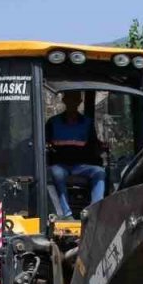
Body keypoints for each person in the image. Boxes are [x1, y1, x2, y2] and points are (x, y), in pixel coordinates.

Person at [45, 90, 106, 219]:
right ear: (64, 100)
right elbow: (45, 143)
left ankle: (95, 213)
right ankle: (66, 214)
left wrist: (102, 148)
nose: (72, 103)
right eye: (70, 99)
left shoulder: (87, 123)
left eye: (75, 100)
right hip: (60, 165)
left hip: (81, 166)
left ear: (79, 102)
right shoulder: (53, 122)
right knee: (56, 174)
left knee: (99, 172)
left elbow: (93, 144)